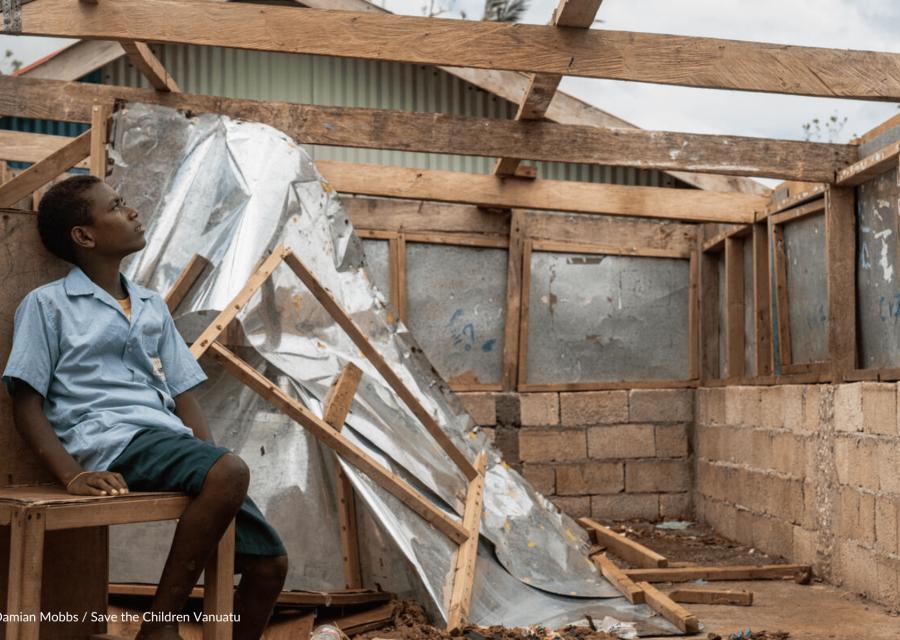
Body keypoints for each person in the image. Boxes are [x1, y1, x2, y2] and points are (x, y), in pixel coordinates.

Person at [2, 175, 288, 640]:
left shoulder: (151, 305)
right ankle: (159, 628)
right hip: (107, 442)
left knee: (270, 565)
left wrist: (211, 468)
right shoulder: (48, 305)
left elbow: (183, 394)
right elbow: (26, 403)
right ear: (84, 236)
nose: (132, 211)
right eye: (116, 206)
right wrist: (72, 474)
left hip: (166, 444)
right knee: (229, 472)